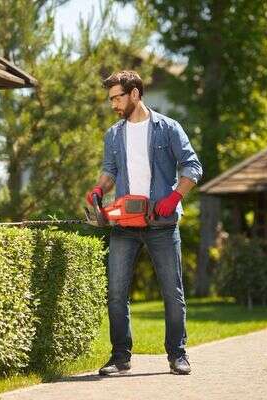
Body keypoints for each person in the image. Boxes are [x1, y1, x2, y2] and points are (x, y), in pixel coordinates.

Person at [86, 70, 202, 376]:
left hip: (162, 224)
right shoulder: (113, 134)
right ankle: (120, 357)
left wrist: (175, 196)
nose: (113, 104)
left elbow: (192, 166)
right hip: (125, 224)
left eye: (117, 98)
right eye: (111, 99)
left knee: (172, 292)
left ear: (135, 94)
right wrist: (99, 188)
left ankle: (177, 354)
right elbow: (110, 171)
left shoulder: (168, 128)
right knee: (116, 292)